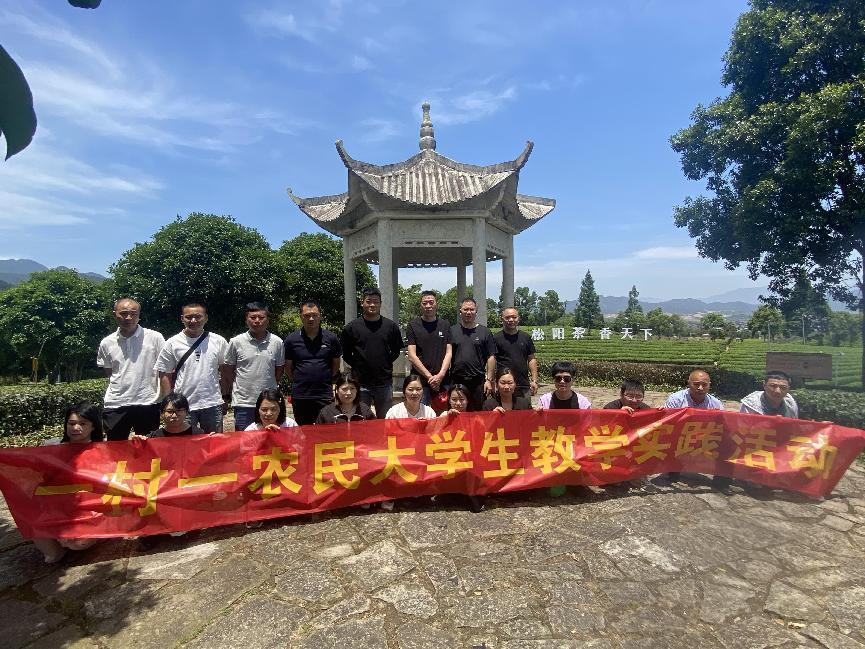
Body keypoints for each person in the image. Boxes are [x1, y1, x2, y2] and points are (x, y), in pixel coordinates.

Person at [33, 403, 104, 563]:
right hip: (55, 504)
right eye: (71, 423)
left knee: (78, 544)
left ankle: (93, 536)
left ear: (93, 426)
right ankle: (57, 547)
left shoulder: (101, 450)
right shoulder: (51, 447)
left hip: (86, 506)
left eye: (82, 423)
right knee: (51, 555)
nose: (76, 428)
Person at [97, 298, 165, 441]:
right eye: (123, 313)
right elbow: (109, 372)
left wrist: (164, 398)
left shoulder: (155, 338)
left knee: (148, 447)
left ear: (139, 315)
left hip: (148, 401)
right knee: (115, 447)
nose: (128, 317)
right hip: (116, 403)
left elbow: (164, 369)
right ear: (115, 314)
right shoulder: (106, 342)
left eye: (133, 314)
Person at [155, 303, 229, 433]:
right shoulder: (172, 343)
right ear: (182, 318)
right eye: (189, 317)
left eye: (198, 317)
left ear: (206, 318)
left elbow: (225, 370)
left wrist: (225, 396)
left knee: (214, 442)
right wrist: (168, 404)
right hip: (182, 406)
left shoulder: (218, 341)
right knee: (185, 443)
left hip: (212, 403)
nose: (193, 320)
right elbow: (165, 374)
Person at [340, 288, 404, 417]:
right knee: (359, 419)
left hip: (384, 382)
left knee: (384, 419)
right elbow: (346, 354)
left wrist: (384, 363)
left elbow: (396, 351)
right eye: (369, 301)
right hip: (360, 382)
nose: (372, 305)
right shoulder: (351, 327)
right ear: (362, 303)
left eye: (376, 301)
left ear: (380, 304)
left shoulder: (390, 326)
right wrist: (358, 365)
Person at [222, 302, 285, 432]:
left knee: (271, 437)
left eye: (261, 317)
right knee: (245, 440)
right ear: (246, 320)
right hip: (244, 402)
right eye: (253, 317)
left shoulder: (277, 342)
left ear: (267, 320)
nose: (257, 321)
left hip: (269, 403)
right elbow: (228, 371)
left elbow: (279, 370)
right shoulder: (236, 342)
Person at [659, 369, 724, 485]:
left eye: (704, 385)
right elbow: (669, 422)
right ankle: (673, 468)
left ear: (709, 385)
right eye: (696, 384)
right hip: (681, 435)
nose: (700, 388)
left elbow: (722, 425)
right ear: (689, 383)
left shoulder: (716, 404)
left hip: (704, 437)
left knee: (727, 442)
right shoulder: (676, 399)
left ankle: (722, 481)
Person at [284, 301, 342, 425]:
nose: (311, 319)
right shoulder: (291, 340)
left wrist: (325, 377)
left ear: (320, 316)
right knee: (304, 430)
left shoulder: (331, 338)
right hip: (301, 395)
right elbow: (288, 367)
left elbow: (336, 364)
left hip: (324, 394)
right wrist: (299, 379)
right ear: (301, 317)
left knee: (326, 429)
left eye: (315, 315)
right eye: (307, 315)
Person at [449, 298, 497, 411]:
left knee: (478, 413)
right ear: (460, 311)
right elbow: (447, 355)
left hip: (477, 381)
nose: (468, 312)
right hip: (457, 380)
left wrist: (489, 380)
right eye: (465, 309)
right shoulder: (452, 331)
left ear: (476, 312)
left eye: (471, 309)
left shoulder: (485, 332)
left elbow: (491, 356)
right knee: (457, 412)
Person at [405, 290, 452, 405]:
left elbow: (449, 352)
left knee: (443, 413)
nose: (428, 306)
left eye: (431, 302)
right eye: (424, 303)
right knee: (420, 413)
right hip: (420, 381)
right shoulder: (413, 326)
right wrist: (430, 377)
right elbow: (412, 355)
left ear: (436, 304)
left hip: (443, 380)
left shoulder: (445, 325)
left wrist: (440, 375)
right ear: (420, 305)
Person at [494, 307, 539, 398]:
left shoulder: (525, 337)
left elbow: (531, 359)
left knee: (524, 407)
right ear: (502, 319)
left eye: (514, 317)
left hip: (523, 385)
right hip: (504, 385)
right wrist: (492, 381)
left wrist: (534, 380)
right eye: (507, 317)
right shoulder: (496, 338)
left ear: (519, 318)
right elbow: (492, 360)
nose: (511, 320)